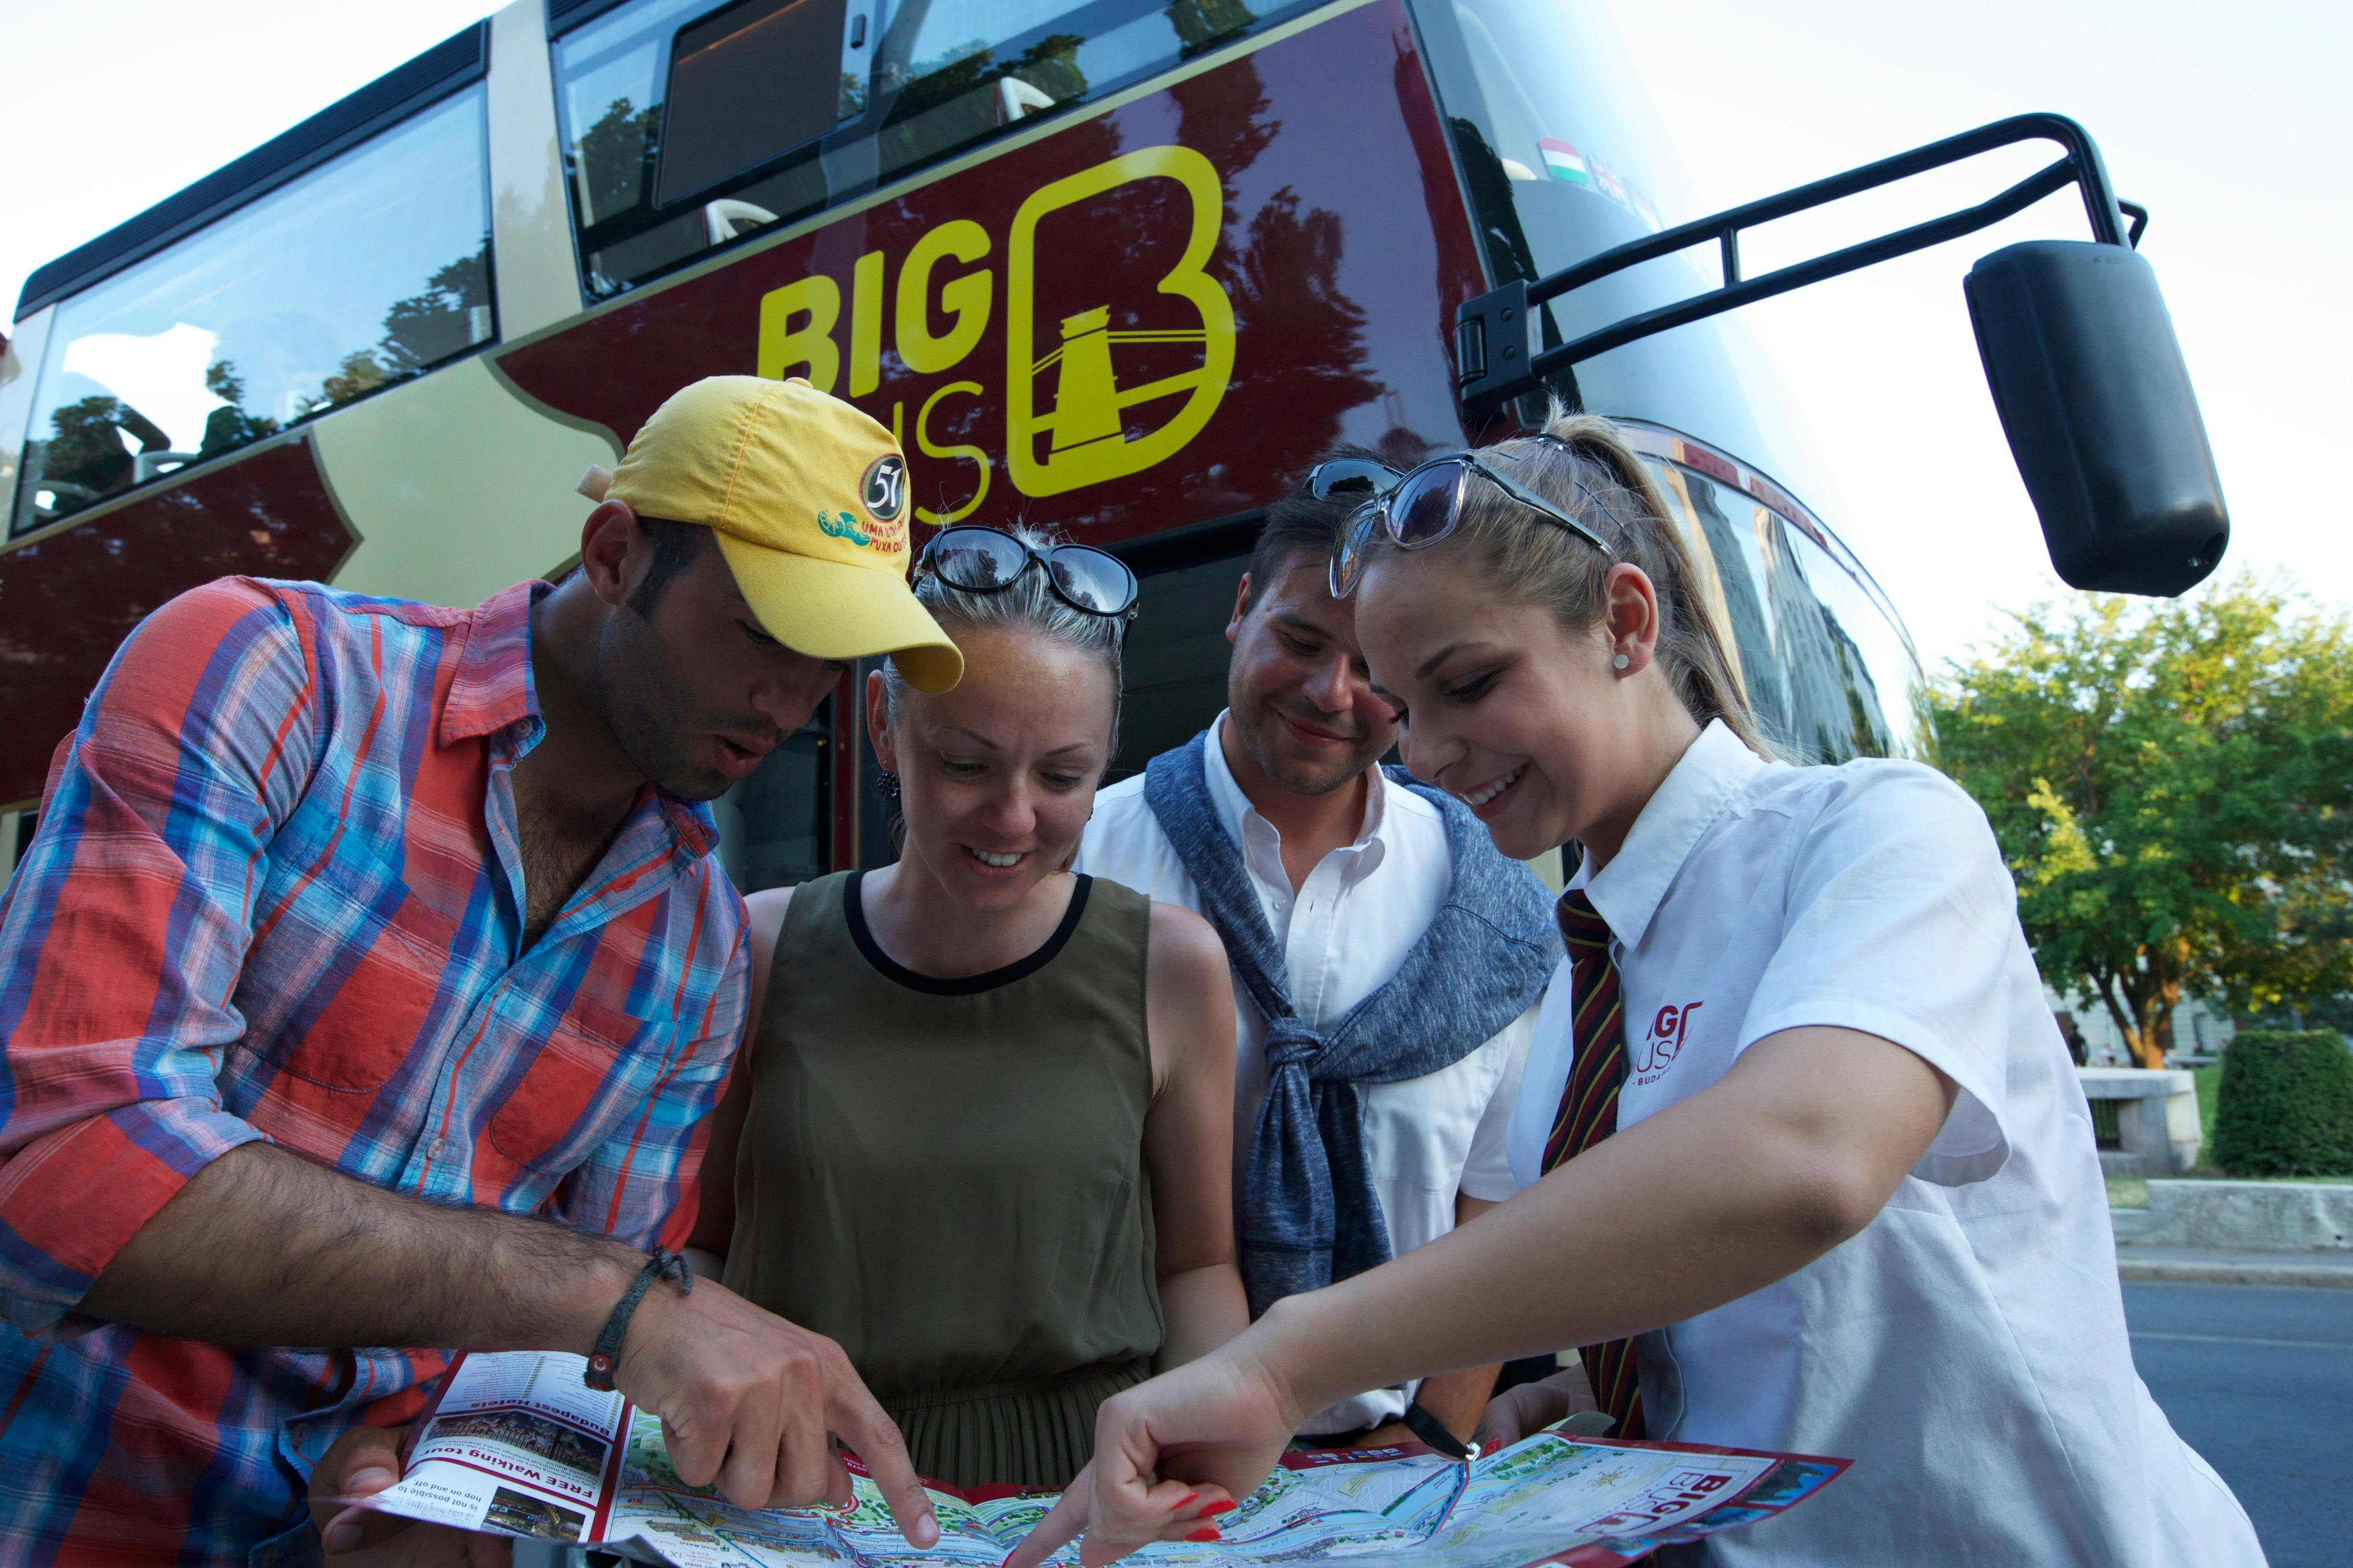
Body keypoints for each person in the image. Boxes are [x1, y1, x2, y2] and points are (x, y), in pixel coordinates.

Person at [1010, 414, 2265, 1567]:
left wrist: (1287, 1367)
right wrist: (1604, 1402)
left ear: (1623, 621)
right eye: (1406, 709)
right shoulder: (1570, 983)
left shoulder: (1877, 832)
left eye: (1468, 683)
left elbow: (1801, 1160)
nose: (1430, 753)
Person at [0, 376, 958, 1561]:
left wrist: (430, 1463)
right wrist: (603, 1298)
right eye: (766, 630)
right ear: (613, 554)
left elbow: (555, 1378)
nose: (791, 701)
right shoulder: (269, 670)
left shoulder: (699, 944)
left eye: (837, 661)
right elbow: (59, 1167)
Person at [684, 523, 1249, 1492]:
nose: (1016, 816)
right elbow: (699, 1245)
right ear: (882, 723)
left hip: (1080, 1501)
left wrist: (1211, 1486)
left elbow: (1196, 1269)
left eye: (1063, 776)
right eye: (966, 762)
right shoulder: (762, 947)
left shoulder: (1173, 965)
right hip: (800, 1492)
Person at [1074, 477, 1557, 1454]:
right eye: (1299, 640)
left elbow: (1501, 1201)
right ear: (1241, 609)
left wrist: (1432, 1425)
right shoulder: (1084, 859)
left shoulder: (1495, 901)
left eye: (1374, 669)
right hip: (1127, 1448)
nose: (1331, 694)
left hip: (1393, 1465)